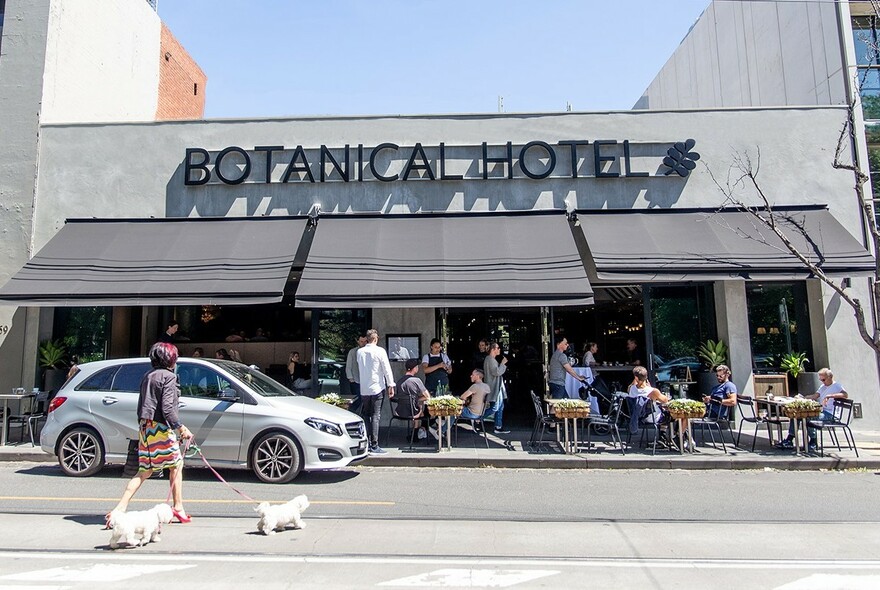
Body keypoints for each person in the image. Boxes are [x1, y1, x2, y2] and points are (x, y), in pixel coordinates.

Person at [107, 342, 193, 524]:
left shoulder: (148, 375)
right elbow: (168, 408)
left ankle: (119, 509)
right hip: (161, 428)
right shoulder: (169, 377)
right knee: (176, 466)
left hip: (145, 428)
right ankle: (178, 508)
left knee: (144, 471)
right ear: (171, 359)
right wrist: (181, 427)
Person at [777, 367, 847, 451]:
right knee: (796, 415)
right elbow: (814, 396)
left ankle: (813, 441)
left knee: (808, 417)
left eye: (823, 379)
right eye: (821, 380)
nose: (822, 382)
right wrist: (803, 397)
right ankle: (790, 439)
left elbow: (845, 395)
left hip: (831, 415)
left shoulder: (837, 386)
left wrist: (830, 395)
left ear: (830, 377)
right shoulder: (823, 386)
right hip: (823, 411)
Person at [357, 329, 395, 454]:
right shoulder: (380, 351)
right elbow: (386, 369)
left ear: (367, 339)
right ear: (376, 338)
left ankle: (366, 441)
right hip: (377, 387)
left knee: (366, 415)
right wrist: (391, 384)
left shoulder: (360, 352)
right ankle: (374, 444)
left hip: (364, 388)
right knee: (376, 416)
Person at [392, 359, 431, 441]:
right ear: (415, 368)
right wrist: (418, 399)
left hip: (400, 412)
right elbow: (427, 396)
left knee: (415, 405)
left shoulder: (399, 382)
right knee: (419, 407)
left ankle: (415, 433)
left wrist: (415, 399)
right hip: (413, 413)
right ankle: (416, 433)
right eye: (417, 366)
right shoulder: (416, 380)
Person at [483, 342, 510, 434]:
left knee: (500, 407)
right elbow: (496, 372)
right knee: (494, 407)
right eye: (497, 348)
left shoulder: (490, 359)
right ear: (492, 349)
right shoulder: (490, 360)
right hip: (494, 387)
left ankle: (498, 426)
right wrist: (502, 364)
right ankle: (478, 417)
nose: (499, 349)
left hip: (497, 387)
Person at [345, 334, 367, 414]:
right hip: (356, 380)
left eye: (365, 341)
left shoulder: (369, 352)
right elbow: (348, 366)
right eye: (361, 341)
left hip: (366, 381)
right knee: (357, 400)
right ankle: (351, 413)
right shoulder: (353, 352)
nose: (363, 343)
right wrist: (350, 378)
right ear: (358, 341)